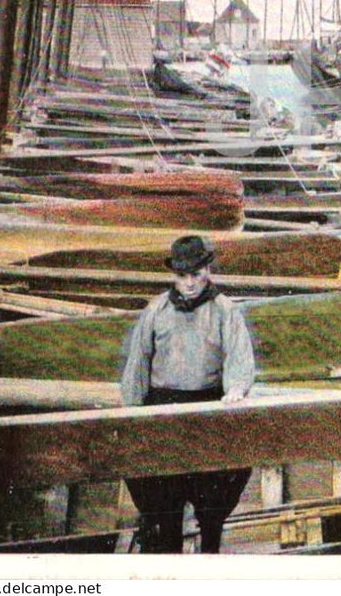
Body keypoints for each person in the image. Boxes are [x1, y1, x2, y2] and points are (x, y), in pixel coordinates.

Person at [120, 235, 256, 553]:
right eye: (183, 276)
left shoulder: (224, 311)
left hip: (207, 406)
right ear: (174, 276)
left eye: (196, 274)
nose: (190, 283)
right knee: (165, 498)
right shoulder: (156, 310)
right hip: (163, 409)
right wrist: (132, 407)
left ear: (208, 270)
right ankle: (169, 555)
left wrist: (235, 389)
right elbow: (138, 362)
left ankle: (209, 551)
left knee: (213, 498)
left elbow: (239, 356)